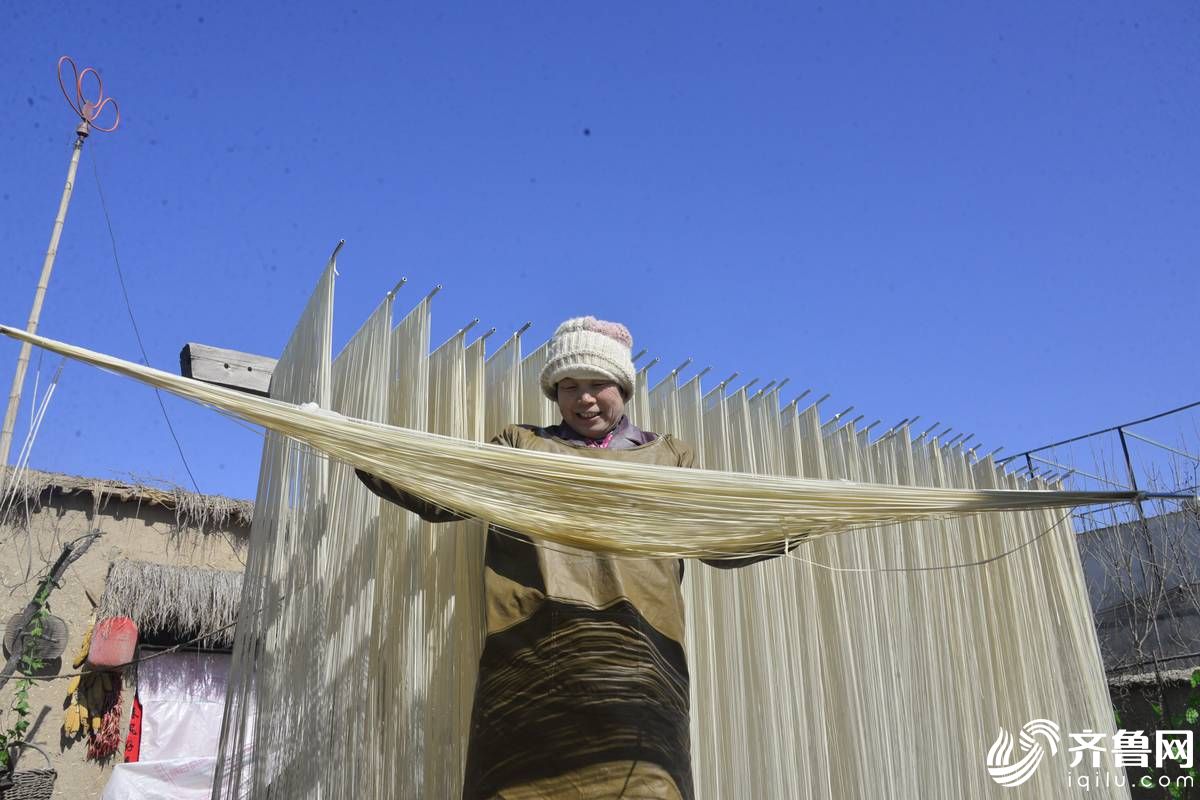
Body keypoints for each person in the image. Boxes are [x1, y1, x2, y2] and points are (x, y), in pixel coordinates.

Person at [358, 315, 771, 800]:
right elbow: (440, 496)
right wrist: (351, 447)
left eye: (598, 384)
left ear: (623, 387)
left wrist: (803, 525)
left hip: (636, 670)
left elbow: (717, 539)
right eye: (568, 386)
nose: (584, 398)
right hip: (532, 666)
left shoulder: (668, 460)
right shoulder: (523, 449)